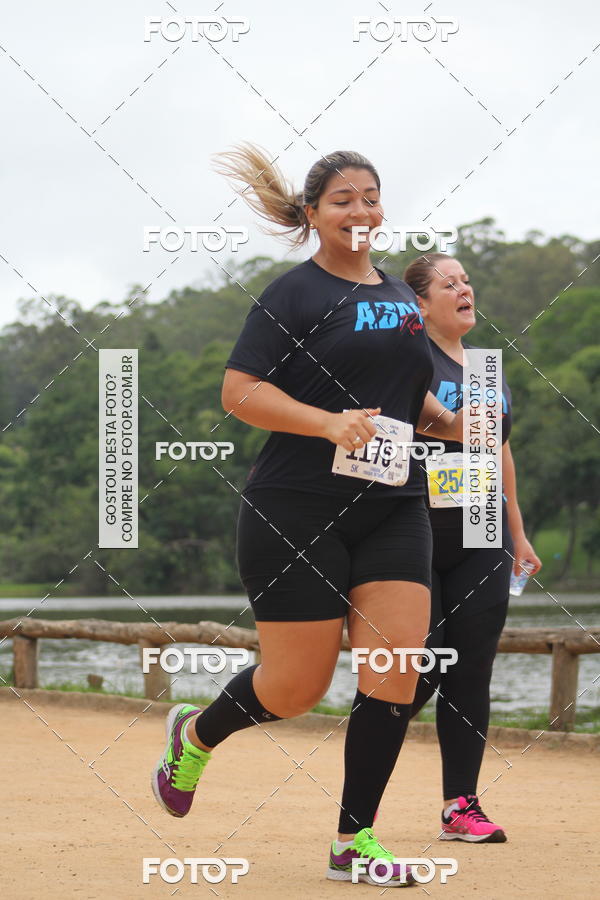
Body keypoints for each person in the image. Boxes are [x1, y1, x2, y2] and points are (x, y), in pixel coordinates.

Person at [151, 146, 464, 887]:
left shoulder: (401, 296)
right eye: (343, 200)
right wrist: (327, 423)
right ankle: (195, 734)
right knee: (296, 689)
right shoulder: (292, 294)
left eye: (370, 197)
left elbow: (404, 394)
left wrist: (449, 423)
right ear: (314, 214)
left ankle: (354, 842)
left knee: (396, 667)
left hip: (393, 505)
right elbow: (238, 391)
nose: (360, 211)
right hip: (295, 509)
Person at [404, 252, 542, 843]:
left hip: (482, 528)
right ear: (420, 303)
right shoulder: (408, 358)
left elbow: (499, 450)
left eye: (466, 281)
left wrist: (518, 531)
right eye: (449, 283)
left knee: (471, 670)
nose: (465, 289)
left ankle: (461, 805)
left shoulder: (486, 367)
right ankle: (365, 769)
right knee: (420, 670)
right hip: (413, 528)